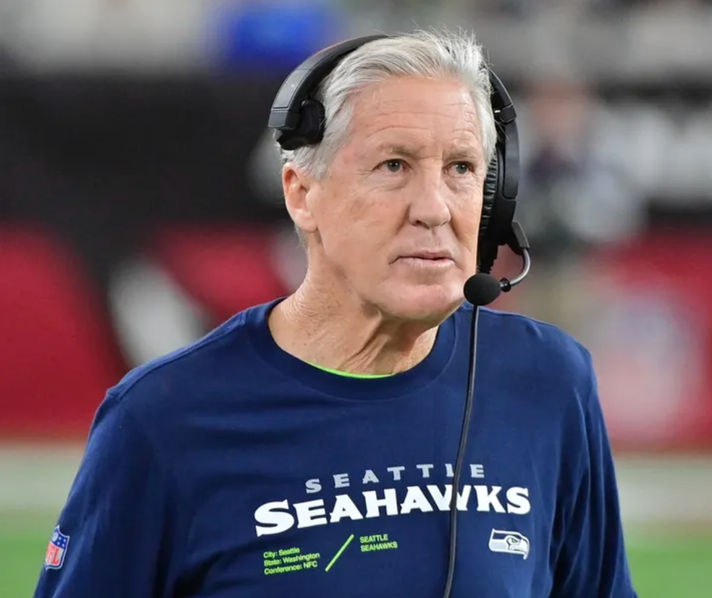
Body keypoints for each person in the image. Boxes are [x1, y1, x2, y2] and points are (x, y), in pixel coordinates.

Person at [34, 31, 637, 597]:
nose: (434, 208)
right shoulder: (162, 417)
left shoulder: (549, 380)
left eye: (461, 168)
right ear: (301, 193)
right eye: (393, 166)